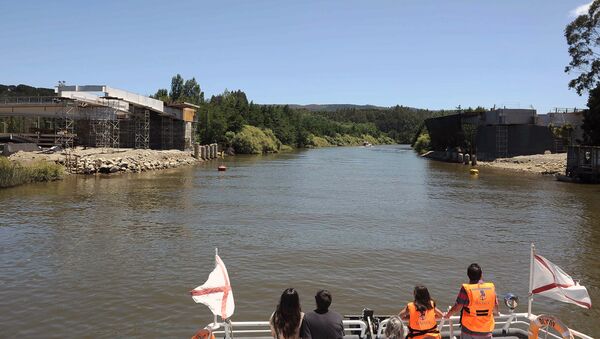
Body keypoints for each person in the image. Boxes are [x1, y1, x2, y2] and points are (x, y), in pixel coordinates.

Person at [444, 263, 499, 339]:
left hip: (469, 329)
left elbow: (457, 307)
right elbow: (495, 307)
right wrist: (496, 314)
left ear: (468, 275)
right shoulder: (490, 288)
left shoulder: (467, 289)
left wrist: (447, 315)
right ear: (481, 275)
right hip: (486, 329)